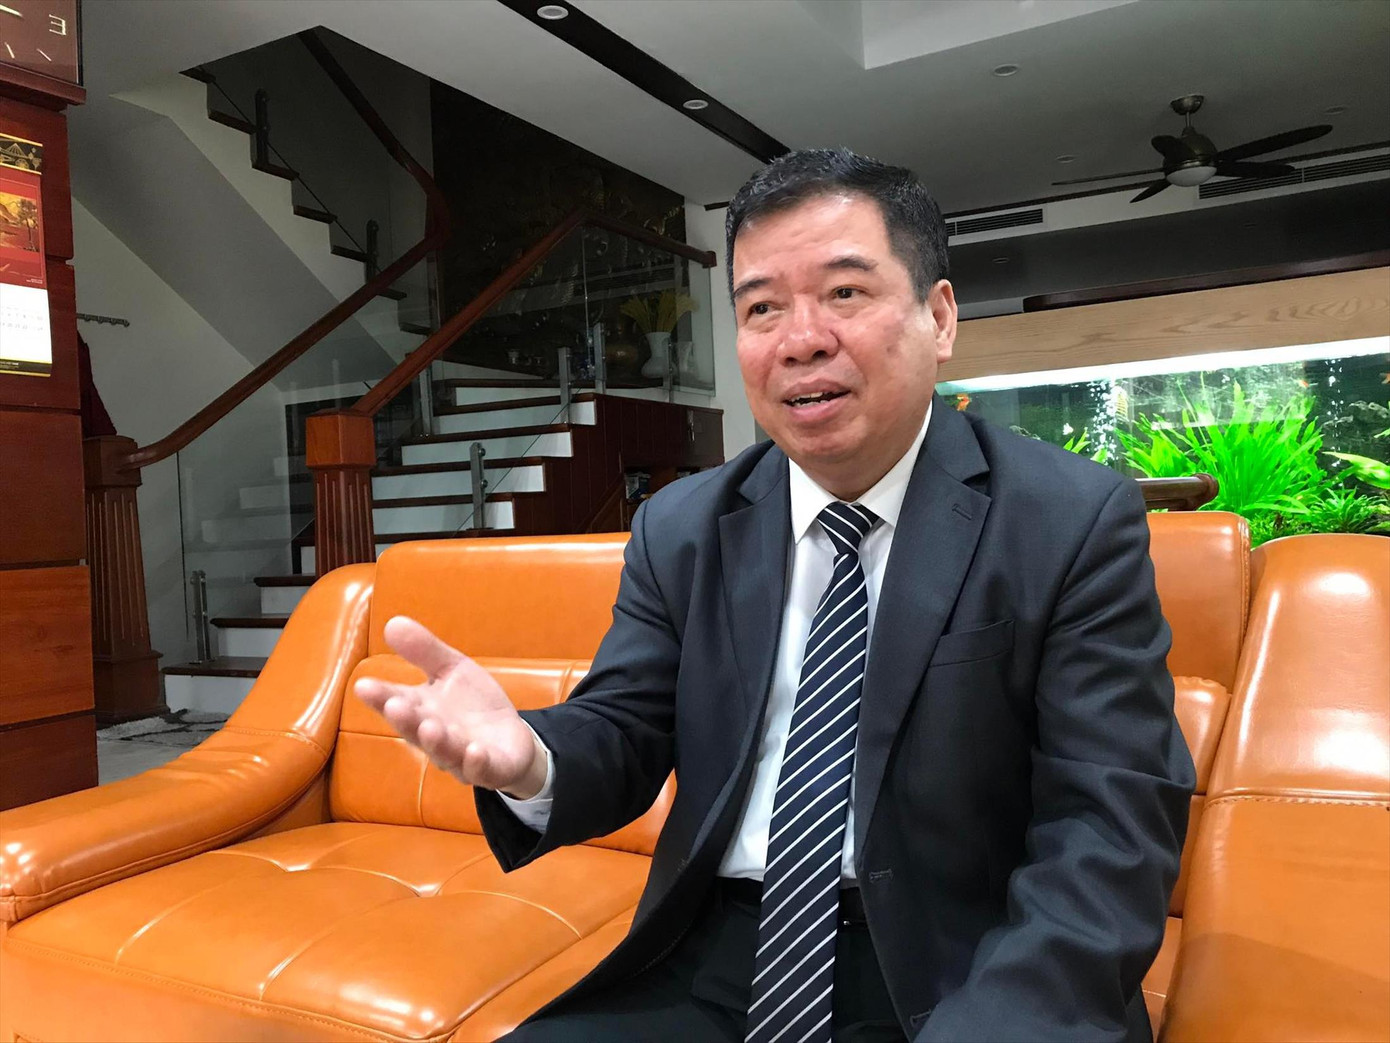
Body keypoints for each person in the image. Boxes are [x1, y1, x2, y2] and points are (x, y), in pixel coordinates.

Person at [353, 148, 1195, 1043]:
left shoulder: (1069, 519)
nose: (801, 340)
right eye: (761, 308)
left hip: (960, 969)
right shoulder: (682, 525)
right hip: (717, 954)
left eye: (845, 292)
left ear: (940, 316)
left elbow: (1109, 828)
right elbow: (627, 727)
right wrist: (530, 758)